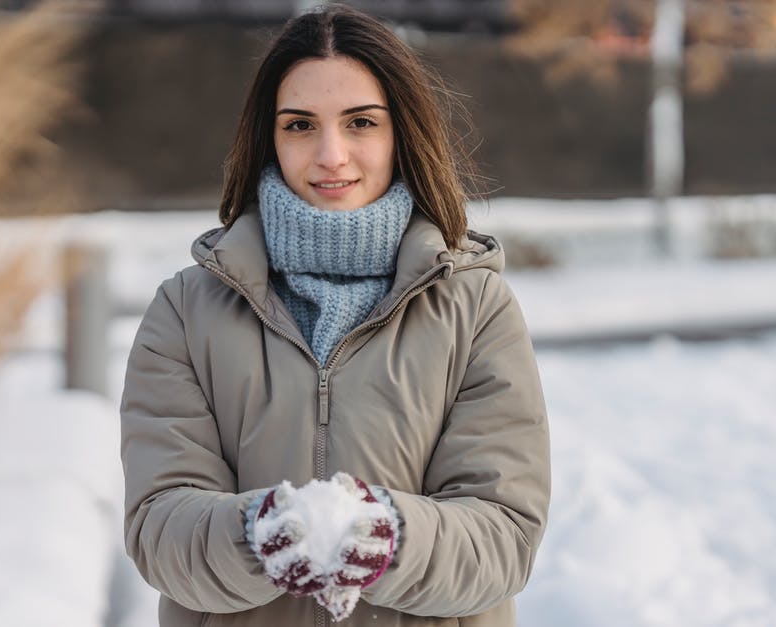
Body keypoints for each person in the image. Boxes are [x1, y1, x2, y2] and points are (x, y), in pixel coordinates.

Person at [120, 4, 550, 626]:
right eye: (299, 125)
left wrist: (389, 537)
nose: (331, 154)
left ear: (401, 132)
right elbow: (160, 526)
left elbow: (504, 535)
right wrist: (258, 535)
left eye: (360, 122)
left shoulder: (476, 308)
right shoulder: (187, 313)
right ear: (267, 138)